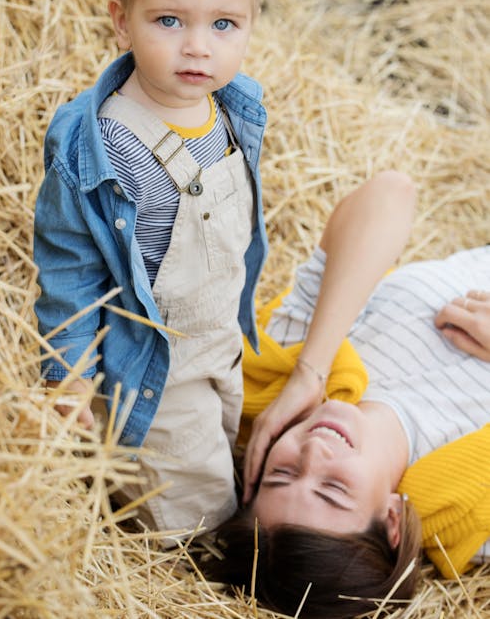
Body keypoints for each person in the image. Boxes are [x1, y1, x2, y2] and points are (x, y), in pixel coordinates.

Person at [33, 0, 415, 536]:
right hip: (157, 361)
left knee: (227, 454)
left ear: (250, 24)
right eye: (169, 21)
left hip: (222, 340)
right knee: (195, 513)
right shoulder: (101, 144)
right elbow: (69, 272)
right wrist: (68, 378)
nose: (197, 48)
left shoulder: (234, 107)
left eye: (223, 25)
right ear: (120, 20)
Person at [206, 240, 490, 618]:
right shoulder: (469, 513)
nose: (312, 453)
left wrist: (310, 370)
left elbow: (390, 193)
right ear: (391, 520)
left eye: (282, 473)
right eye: (333, 489)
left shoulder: (293, 366)